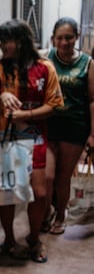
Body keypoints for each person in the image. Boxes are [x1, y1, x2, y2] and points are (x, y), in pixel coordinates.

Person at [0, 19, 63, 263]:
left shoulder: (45, 67)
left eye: (6, 40)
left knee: (39, 193)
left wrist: (24, 115)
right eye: (1, 41)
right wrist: (2, 97)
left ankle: (34, 238)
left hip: (35, 137)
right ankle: (8, 240)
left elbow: (54, 105)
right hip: (3, 138)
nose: (2, 46)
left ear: (20, 41)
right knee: (7, 194)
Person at [42, 17, 94, 235]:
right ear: (53, 38)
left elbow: (92, 100)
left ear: (77, 37)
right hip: (47, 125)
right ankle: (45, 213)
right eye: (60, 38)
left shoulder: (88, 63)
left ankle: (60, 216)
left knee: (63, 177)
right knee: (47, 176)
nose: (64, 42)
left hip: (75, 127)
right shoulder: (45, 57)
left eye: (69, 37)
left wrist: (92, 134)